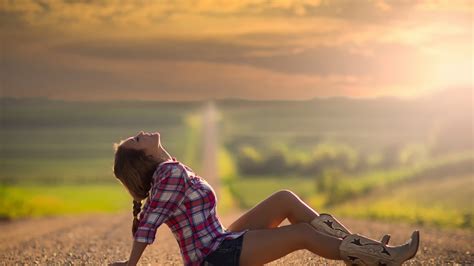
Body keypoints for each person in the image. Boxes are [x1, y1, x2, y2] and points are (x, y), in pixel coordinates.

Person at [110, 131, 420, 266]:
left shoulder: (172, 169)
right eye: (137, 140)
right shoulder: (169, 173)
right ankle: (382, 257)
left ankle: (366, 252)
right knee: (301, 234)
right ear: (143, 156)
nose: (141, 133)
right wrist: (131, 263)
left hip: (219, 243)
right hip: (214, 258)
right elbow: (150, 220)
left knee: (284, 198)